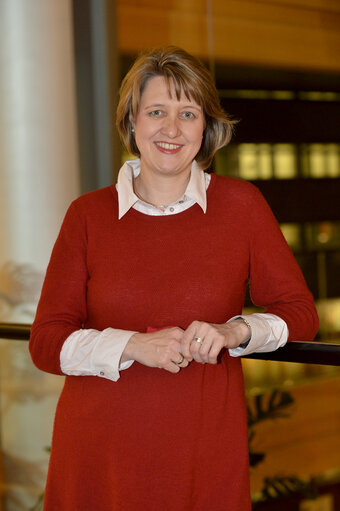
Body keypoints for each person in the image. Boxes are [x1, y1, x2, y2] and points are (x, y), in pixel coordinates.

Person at [29, 46, 318, 511]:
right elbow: (45, 342)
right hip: (98, 455)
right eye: (156, 111)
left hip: (203, 451)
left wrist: (235, 330)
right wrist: (132, 345)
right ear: (132, 123)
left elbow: (300, 314)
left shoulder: (242, 207)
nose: (171, 129)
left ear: (206, 127)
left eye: (188, 113)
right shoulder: (87, 215)